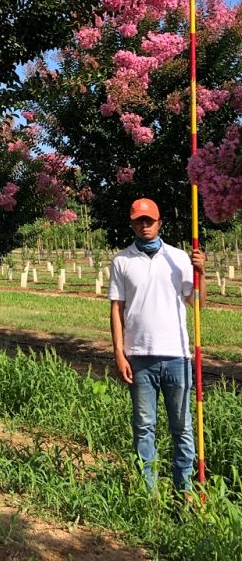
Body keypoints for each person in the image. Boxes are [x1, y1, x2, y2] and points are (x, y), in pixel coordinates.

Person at [108, 197, 206, 493]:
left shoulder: (179, 259)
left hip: (177, 356)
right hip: (138, 357)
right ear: (132, 224)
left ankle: (184, 491)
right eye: (139, 220)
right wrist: (119, 353)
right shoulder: (121, 261)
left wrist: (201, 274)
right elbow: (117, 310)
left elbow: (196, 303)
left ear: (159, 223)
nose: (145, 225)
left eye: (149, 220)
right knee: (144, 428)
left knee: (183, 428)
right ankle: (147, 493)